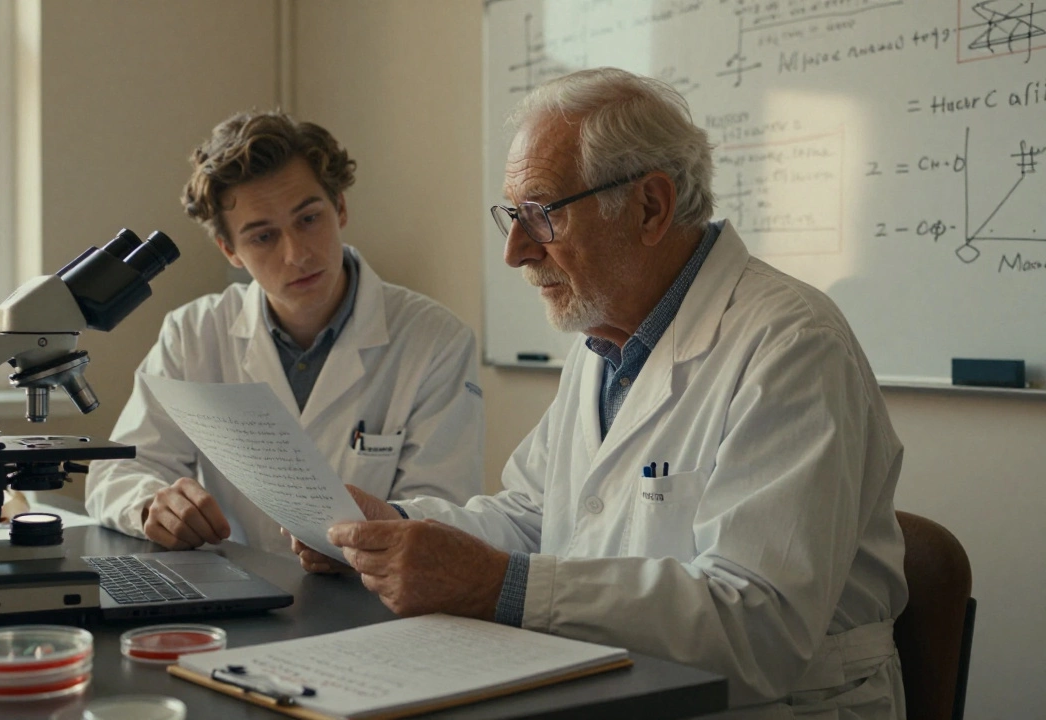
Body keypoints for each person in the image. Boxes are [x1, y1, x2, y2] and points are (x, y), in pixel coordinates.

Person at [293, 68, 908, 718]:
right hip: (616, 687)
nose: (515, 251)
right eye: (514, 215)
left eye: (541, 214)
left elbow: (760, 624)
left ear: (650, 207)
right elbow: (535, 517)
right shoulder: (605, 341)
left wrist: (502, 587)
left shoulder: (793, 345)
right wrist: (393, 529)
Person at [86, 110, 483, 556]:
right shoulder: (193, 334)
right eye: (263, 237)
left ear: (340, 208)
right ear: (230, 250)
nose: (296, 254)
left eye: (309, 219)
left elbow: (442, 512)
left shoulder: (437, 340)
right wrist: (153, 506)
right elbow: (118, 472)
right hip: (234, 583)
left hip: (368, 590)